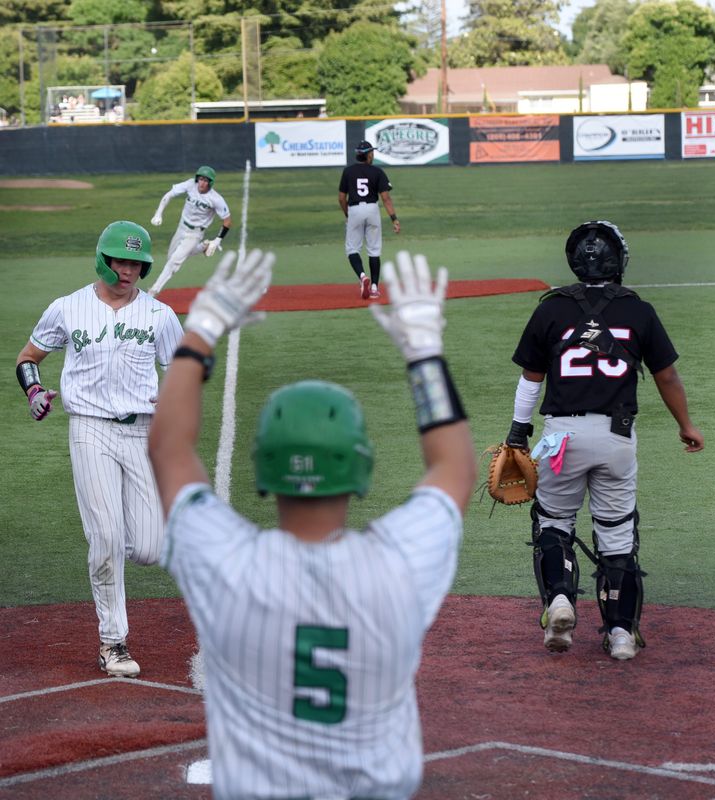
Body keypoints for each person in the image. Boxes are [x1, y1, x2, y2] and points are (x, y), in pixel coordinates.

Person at [149, 249, 476, 798]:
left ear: (264, 468)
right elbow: (455, 467)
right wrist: (423, 348)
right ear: (361, 466)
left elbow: (167, 447)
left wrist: (201, 331)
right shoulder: (398, 565)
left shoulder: (226, 564)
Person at [504, 220, 704, 661]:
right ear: (620, 261)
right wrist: (685, 425)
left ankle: (559, 600)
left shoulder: (550, 310)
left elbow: (530, 381)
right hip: (617, 439)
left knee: (553, 523)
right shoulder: (639, 311)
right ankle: (620, 634)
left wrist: (518, 433)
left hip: (562, 439)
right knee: (617, 535)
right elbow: (666, 375)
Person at [15, 220, 184, 678]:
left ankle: (110, 547)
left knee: (149, 548)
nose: (128, 270)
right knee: (106, 539)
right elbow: (27, 358)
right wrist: (34, 393)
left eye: (136, 263)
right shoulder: (68, 309)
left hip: (142, 432)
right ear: (102, 259)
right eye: (120, 260)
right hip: (89, 428)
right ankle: (114, 642)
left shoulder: (158, 315)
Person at [148, 165, 232, 298]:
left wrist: (217, 240)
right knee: (171, 257)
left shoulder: (216, 199)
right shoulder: (190, 184)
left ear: (210, 183)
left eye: (206, 180)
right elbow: (170, 194)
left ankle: (153, 291)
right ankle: (204, 246)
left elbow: (227, 220)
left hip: (195, 233)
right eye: (200, 179)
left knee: (174, 262)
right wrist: (158, 214)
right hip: (181, 227)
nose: (202, 183)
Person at [338, 140, 400, 300]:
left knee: (352, 249)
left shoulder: (348, 172)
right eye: (371, 152)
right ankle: (374, 288)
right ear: (368, 155)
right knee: (374, 250)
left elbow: (341, 198)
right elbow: (386, 198)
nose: (373, 154)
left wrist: (348, 214)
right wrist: (394, 219)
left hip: (355, 209)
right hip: (372, 209)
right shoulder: (377, 172)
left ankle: (362, 276)